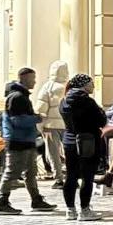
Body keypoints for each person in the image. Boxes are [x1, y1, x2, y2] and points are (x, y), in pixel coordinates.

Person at [0, 68, 57, 216]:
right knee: (12, 172)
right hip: (18, 141)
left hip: (26, 140)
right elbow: (17, 120)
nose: (35, 82)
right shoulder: (17, 97)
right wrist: (37, 118)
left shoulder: (21, 96)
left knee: (31, 172)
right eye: (32, 79)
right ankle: (2, 202)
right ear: (23, 79)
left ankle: (36, 199)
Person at [59, 74, 106, 221]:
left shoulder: (64, 100)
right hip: (88, 140)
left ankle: (70, 209)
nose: (93, 86)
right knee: (87, 176)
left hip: (69, 141)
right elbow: (101, 120)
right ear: (84, 85)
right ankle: (85, 210)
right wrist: (101, 111)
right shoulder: (87, 101)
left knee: (71, 176)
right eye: (91, 83)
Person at [36, 60, 69, 189]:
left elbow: (41, 108)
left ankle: (59, 178)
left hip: (50, 126)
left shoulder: (47, 86)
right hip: (68, 125)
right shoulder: (69, 85)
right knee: (70, 151)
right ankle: (72, 176)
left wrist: (40, 125)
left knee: (53, 153)